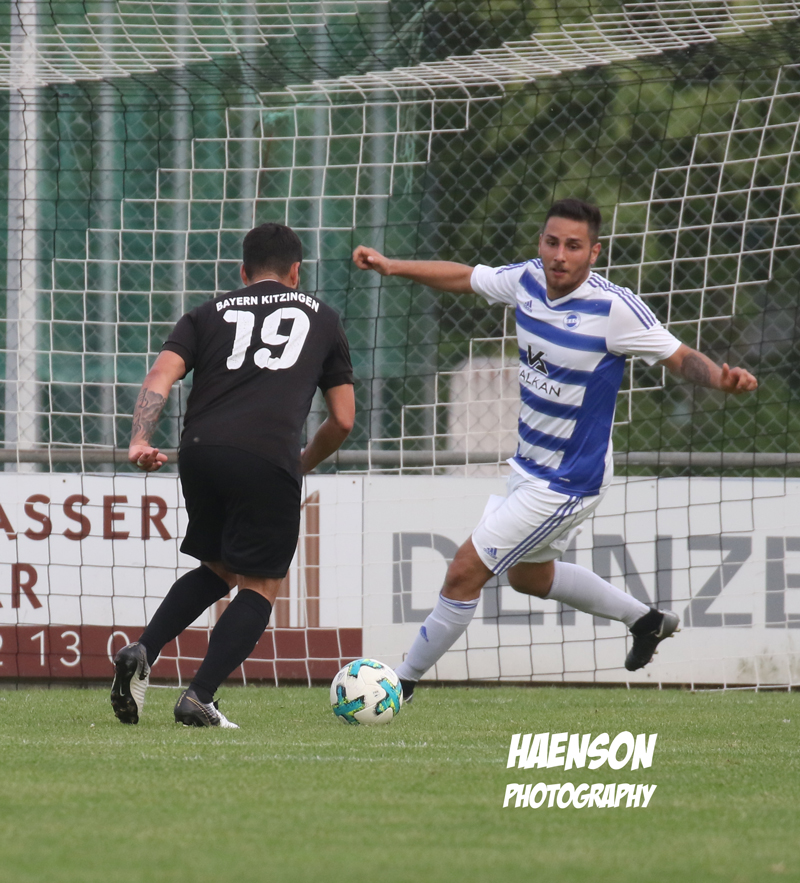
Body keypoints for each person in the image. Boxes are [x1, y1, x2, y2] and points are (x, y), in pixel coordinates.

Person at [352, 198, 758, 701]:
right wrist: (393, 266)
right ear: (540, 242)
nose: (559, 255)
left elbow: (678, 356)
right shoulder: (526, 280)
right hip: (529, 467)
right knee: (528, 577)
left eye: (573, 246)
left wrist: (720, 379)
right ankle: (645, 620)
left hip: (568, 480)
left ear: (594, 252)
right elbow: (466, 276)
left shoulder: (614, 309)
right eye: (552, 242)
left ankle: (398, 685)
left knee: (463, 571)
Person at [111, 222, 355, 727]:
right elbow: (343, 420)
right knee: (261, 584)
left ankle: (143, 650)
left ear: (244, 273)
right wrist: (300, 462)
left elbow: (161, 375)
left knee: (220, 568)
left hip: (200, 452)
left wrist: (139, 440)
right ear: (296, 272)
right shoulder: (325, 319)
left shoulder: (205, 313)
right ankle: (199, 696)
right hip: (267, 454)